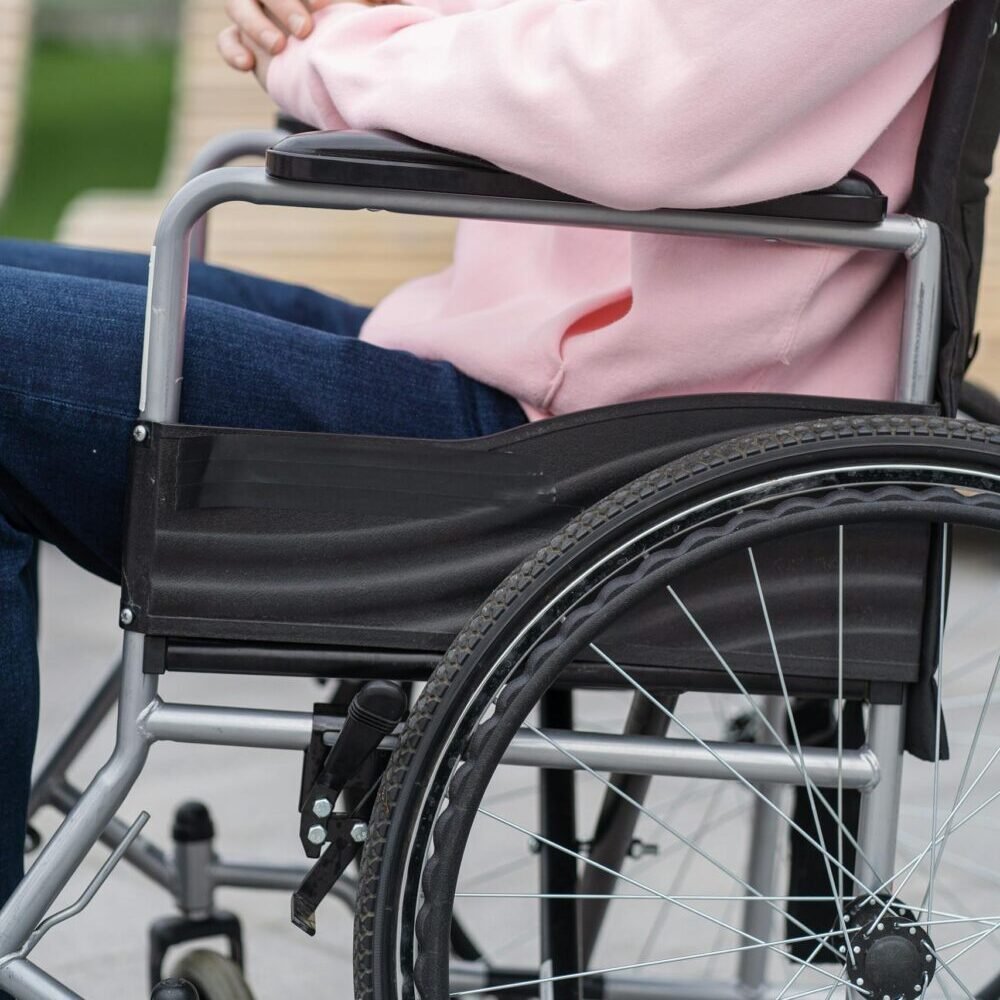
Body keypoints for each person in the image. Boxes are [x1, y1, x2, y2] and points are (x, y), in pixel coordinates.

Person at [0, 0, 953, 959]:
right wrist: (356, 21)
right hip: (542, 375)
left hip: (601, 446)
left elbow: (641, 107)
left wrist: (334, 56)